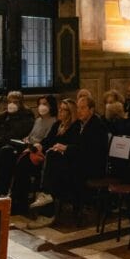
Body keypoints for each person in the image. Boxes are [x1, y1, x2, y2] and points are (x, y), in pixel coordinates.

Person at [30, 96, 107, 228]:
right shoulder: (83, 124)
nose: (79, 111)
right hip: (80, 162)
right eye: (78, 108)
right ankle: (46, 199)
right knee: (54, 158)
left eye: (83, 108)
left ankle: (47, 199)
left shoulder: (97, 125)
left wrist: (66, 148)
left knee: (55, 162)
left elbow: (89, 151)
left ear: (91, 109)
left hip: (92, 167)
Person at [9, 99, 80, 216]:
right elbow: (48, 141)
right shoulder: (57, 124)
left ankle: (44, 200)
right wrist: (38, 146)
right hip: (47, 156)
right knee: (24, 160)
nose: (60, 111)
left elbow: (73, 147)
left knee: (44, 162)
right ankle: (18, 200)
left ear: (70, 112)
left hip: (61, 161)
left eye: (63, 110)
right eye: (60, 109)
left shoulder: (75, 127)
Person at [0, 94, 57, 198]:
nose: (42, 106)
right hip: (26, 145)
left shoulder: (53, 122)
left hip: (35, 150)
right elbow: (31, 135)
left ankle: (3, 191)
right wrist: (27, 139)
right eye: (40, 104)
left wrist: (32, 143)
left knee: (7, 152)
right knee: (5, 151)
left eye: (45, 104)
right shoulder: (38, 120)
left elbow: (46, 141)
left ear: (51, 106)